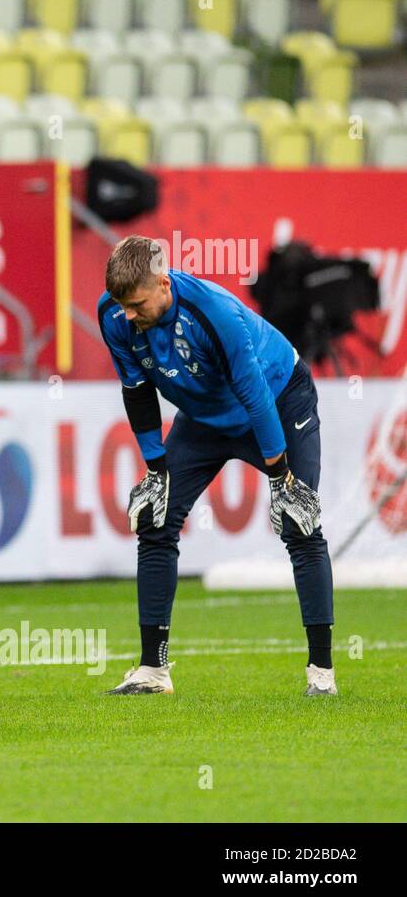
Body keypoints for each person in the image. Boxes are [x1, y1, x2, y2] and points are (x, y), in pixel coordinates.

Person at [98, 235, 334, 696]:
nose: (129, 315)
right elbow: (137, 391)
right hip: (205, 416)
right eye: (123, 305)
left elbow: (255, 395)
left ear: (165, 284)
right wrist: (154, 467)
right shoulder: (114, 314)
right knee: (156, 519)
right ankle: (153, 670)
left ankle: (321, 674)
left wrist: (280, 474)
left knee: (300, 523)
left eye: (138, 304)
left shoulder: (214, 311)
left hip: (279, 398)